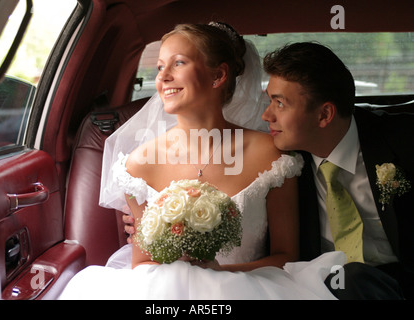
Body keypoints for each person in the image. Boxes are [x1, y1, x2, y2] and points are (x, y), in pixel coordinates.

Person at [59, 23, 345, 300]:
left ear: (218, 75)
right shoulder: (139, 165)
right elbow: (143, 264)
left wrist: (216, 273)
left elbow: (286, 256)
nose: (163, 77)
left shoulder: (272, 156)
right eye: (160, 67)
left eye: (178, 63)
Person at [261, 42, 414, 299]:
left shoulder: (403, 140)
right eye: (269, 101)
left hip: (402, 282)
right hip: (329, 287)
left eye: (280, 104)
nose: (267, 115)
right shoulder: (281, 166)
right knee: (348, 278)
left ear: (325, 115)